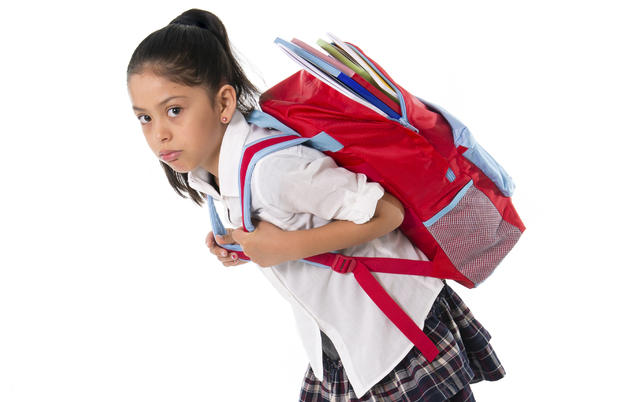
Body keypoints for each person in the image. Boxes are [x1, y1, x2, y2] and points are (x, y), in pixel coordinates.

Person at [126, 8, 506, 401]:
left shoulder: (274, 169)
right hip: (342, 345)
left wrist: (283, 248)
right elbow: (293, 222)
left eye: (174, 111)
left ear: (224, 102)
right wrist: (242, 246)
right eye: (144, 118)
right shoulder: (216, 173)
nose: (160, 135)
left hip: (397, 332)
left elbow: (386, 211)